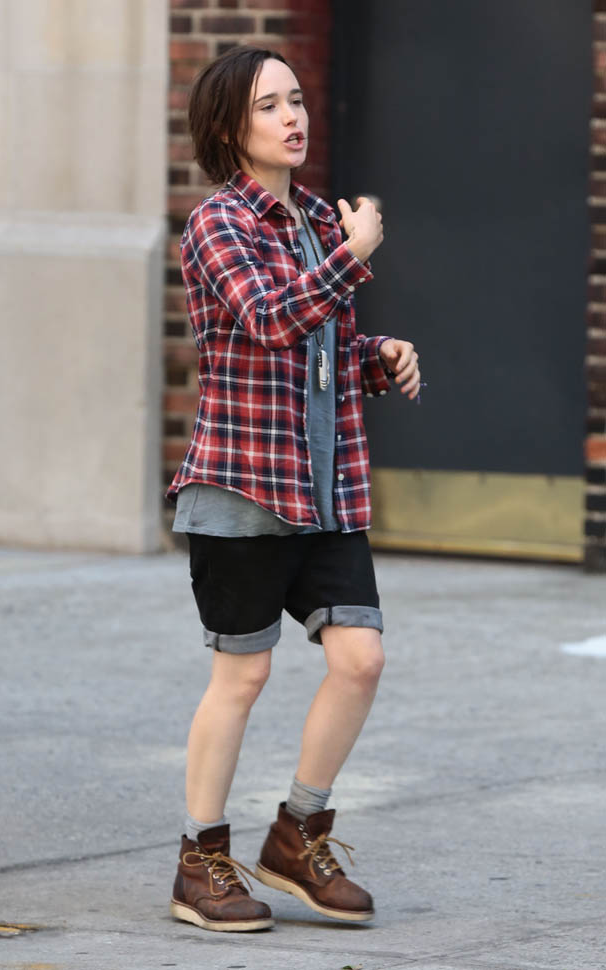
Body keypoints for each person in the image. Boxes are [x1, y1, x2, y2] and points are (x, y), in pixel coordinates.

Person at [167, 45, 421, 933]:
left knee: (360, 659)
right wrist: (353, 257)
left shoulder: (316, 220)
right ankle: (200, 861)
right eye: (269, 105)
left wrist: (377, 357)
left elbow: (320, 346)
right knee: (242, 675)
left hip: (324, 491)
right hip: (242, 487)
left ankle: (296, 834)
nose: (293, 117)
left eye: (297, 100)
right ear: (229, 126)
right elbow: (270, 320)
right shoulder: (217, 224)